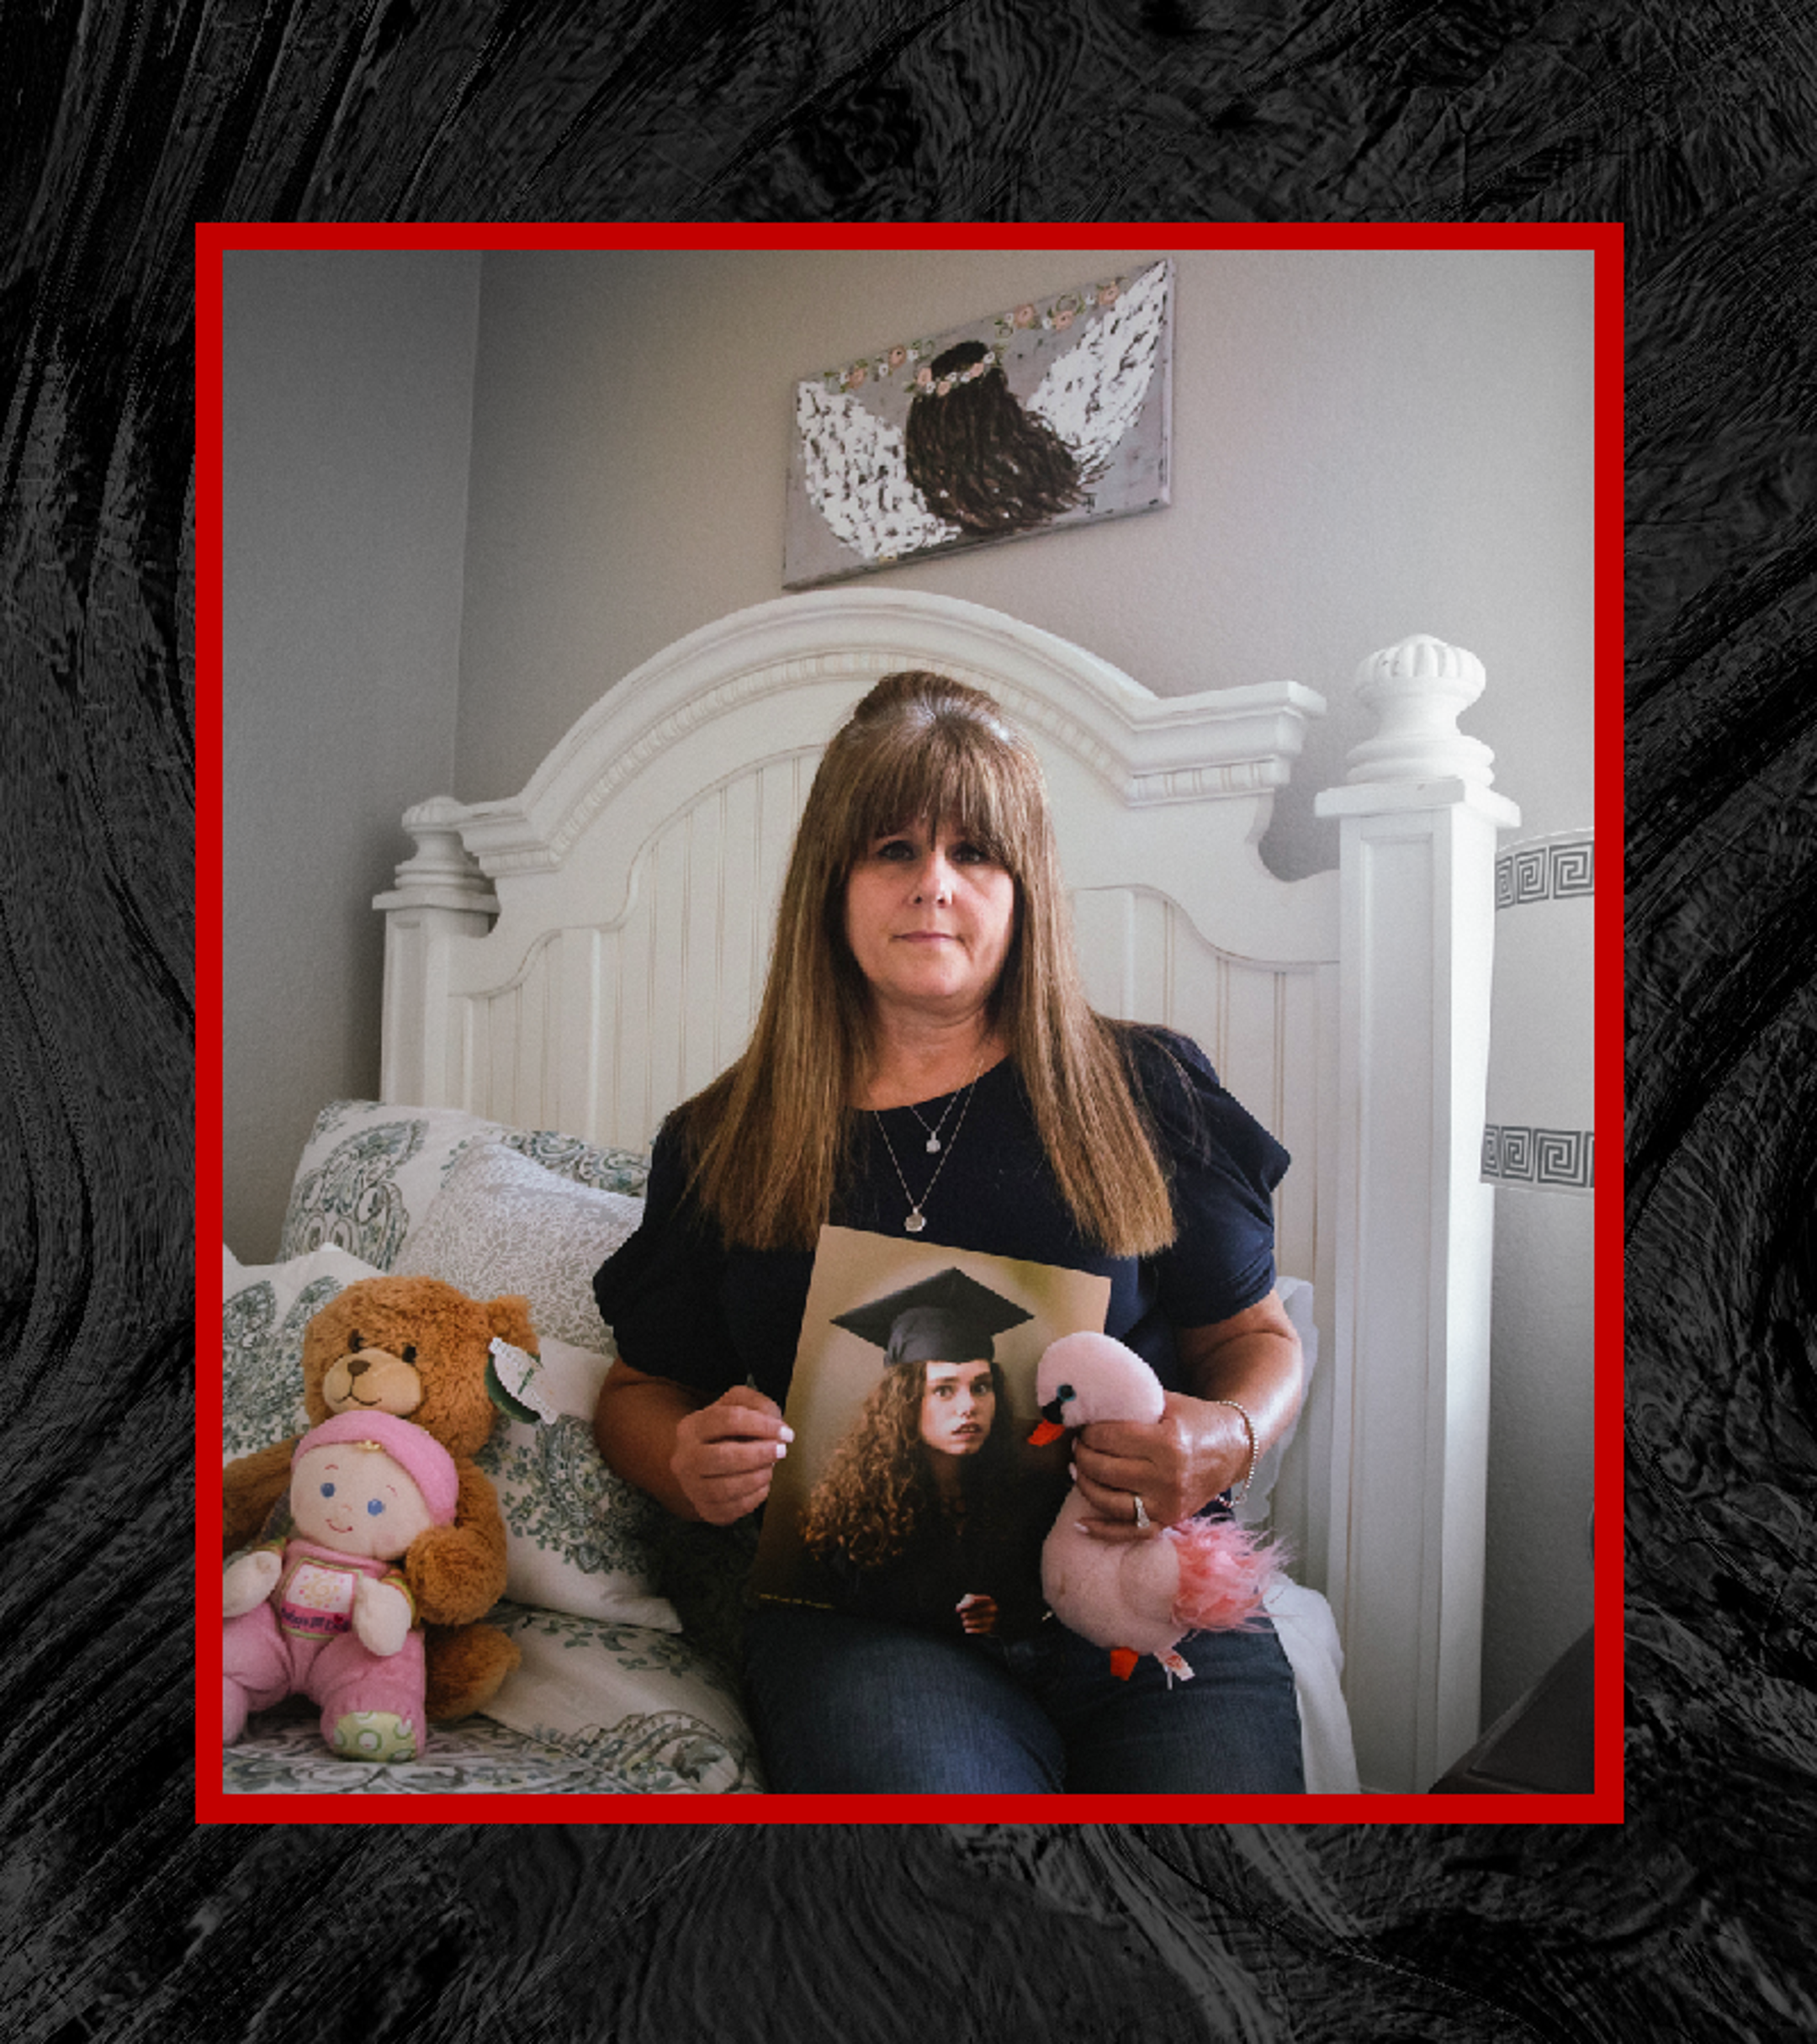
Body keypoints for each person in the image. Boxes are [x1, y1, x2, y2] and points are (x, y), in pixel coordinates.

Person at [592, 668, 1306, 1793]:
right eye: (892, 850)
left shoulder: (1146, 1087)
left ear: (1024, 889)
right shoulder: (726, 1135)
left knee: (1233, 1906)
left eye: (975, 853)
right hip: (873, 1629)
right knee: (946, 1894)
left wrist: (1230, 1434)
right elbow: (637, 1390)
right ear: (832, 883)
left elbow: (1254, 1339)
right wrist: (684, 1464)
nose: (934, 885)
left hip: (1151, 1585)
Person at [797, 1268, 1053, 1639]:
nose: (969, 1406)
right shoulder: (856, 1520)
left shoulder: (1023, 1493)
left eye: (981, 1387)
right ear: (904, 1403)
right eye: (944, 1390)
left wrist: (1004, 1617)